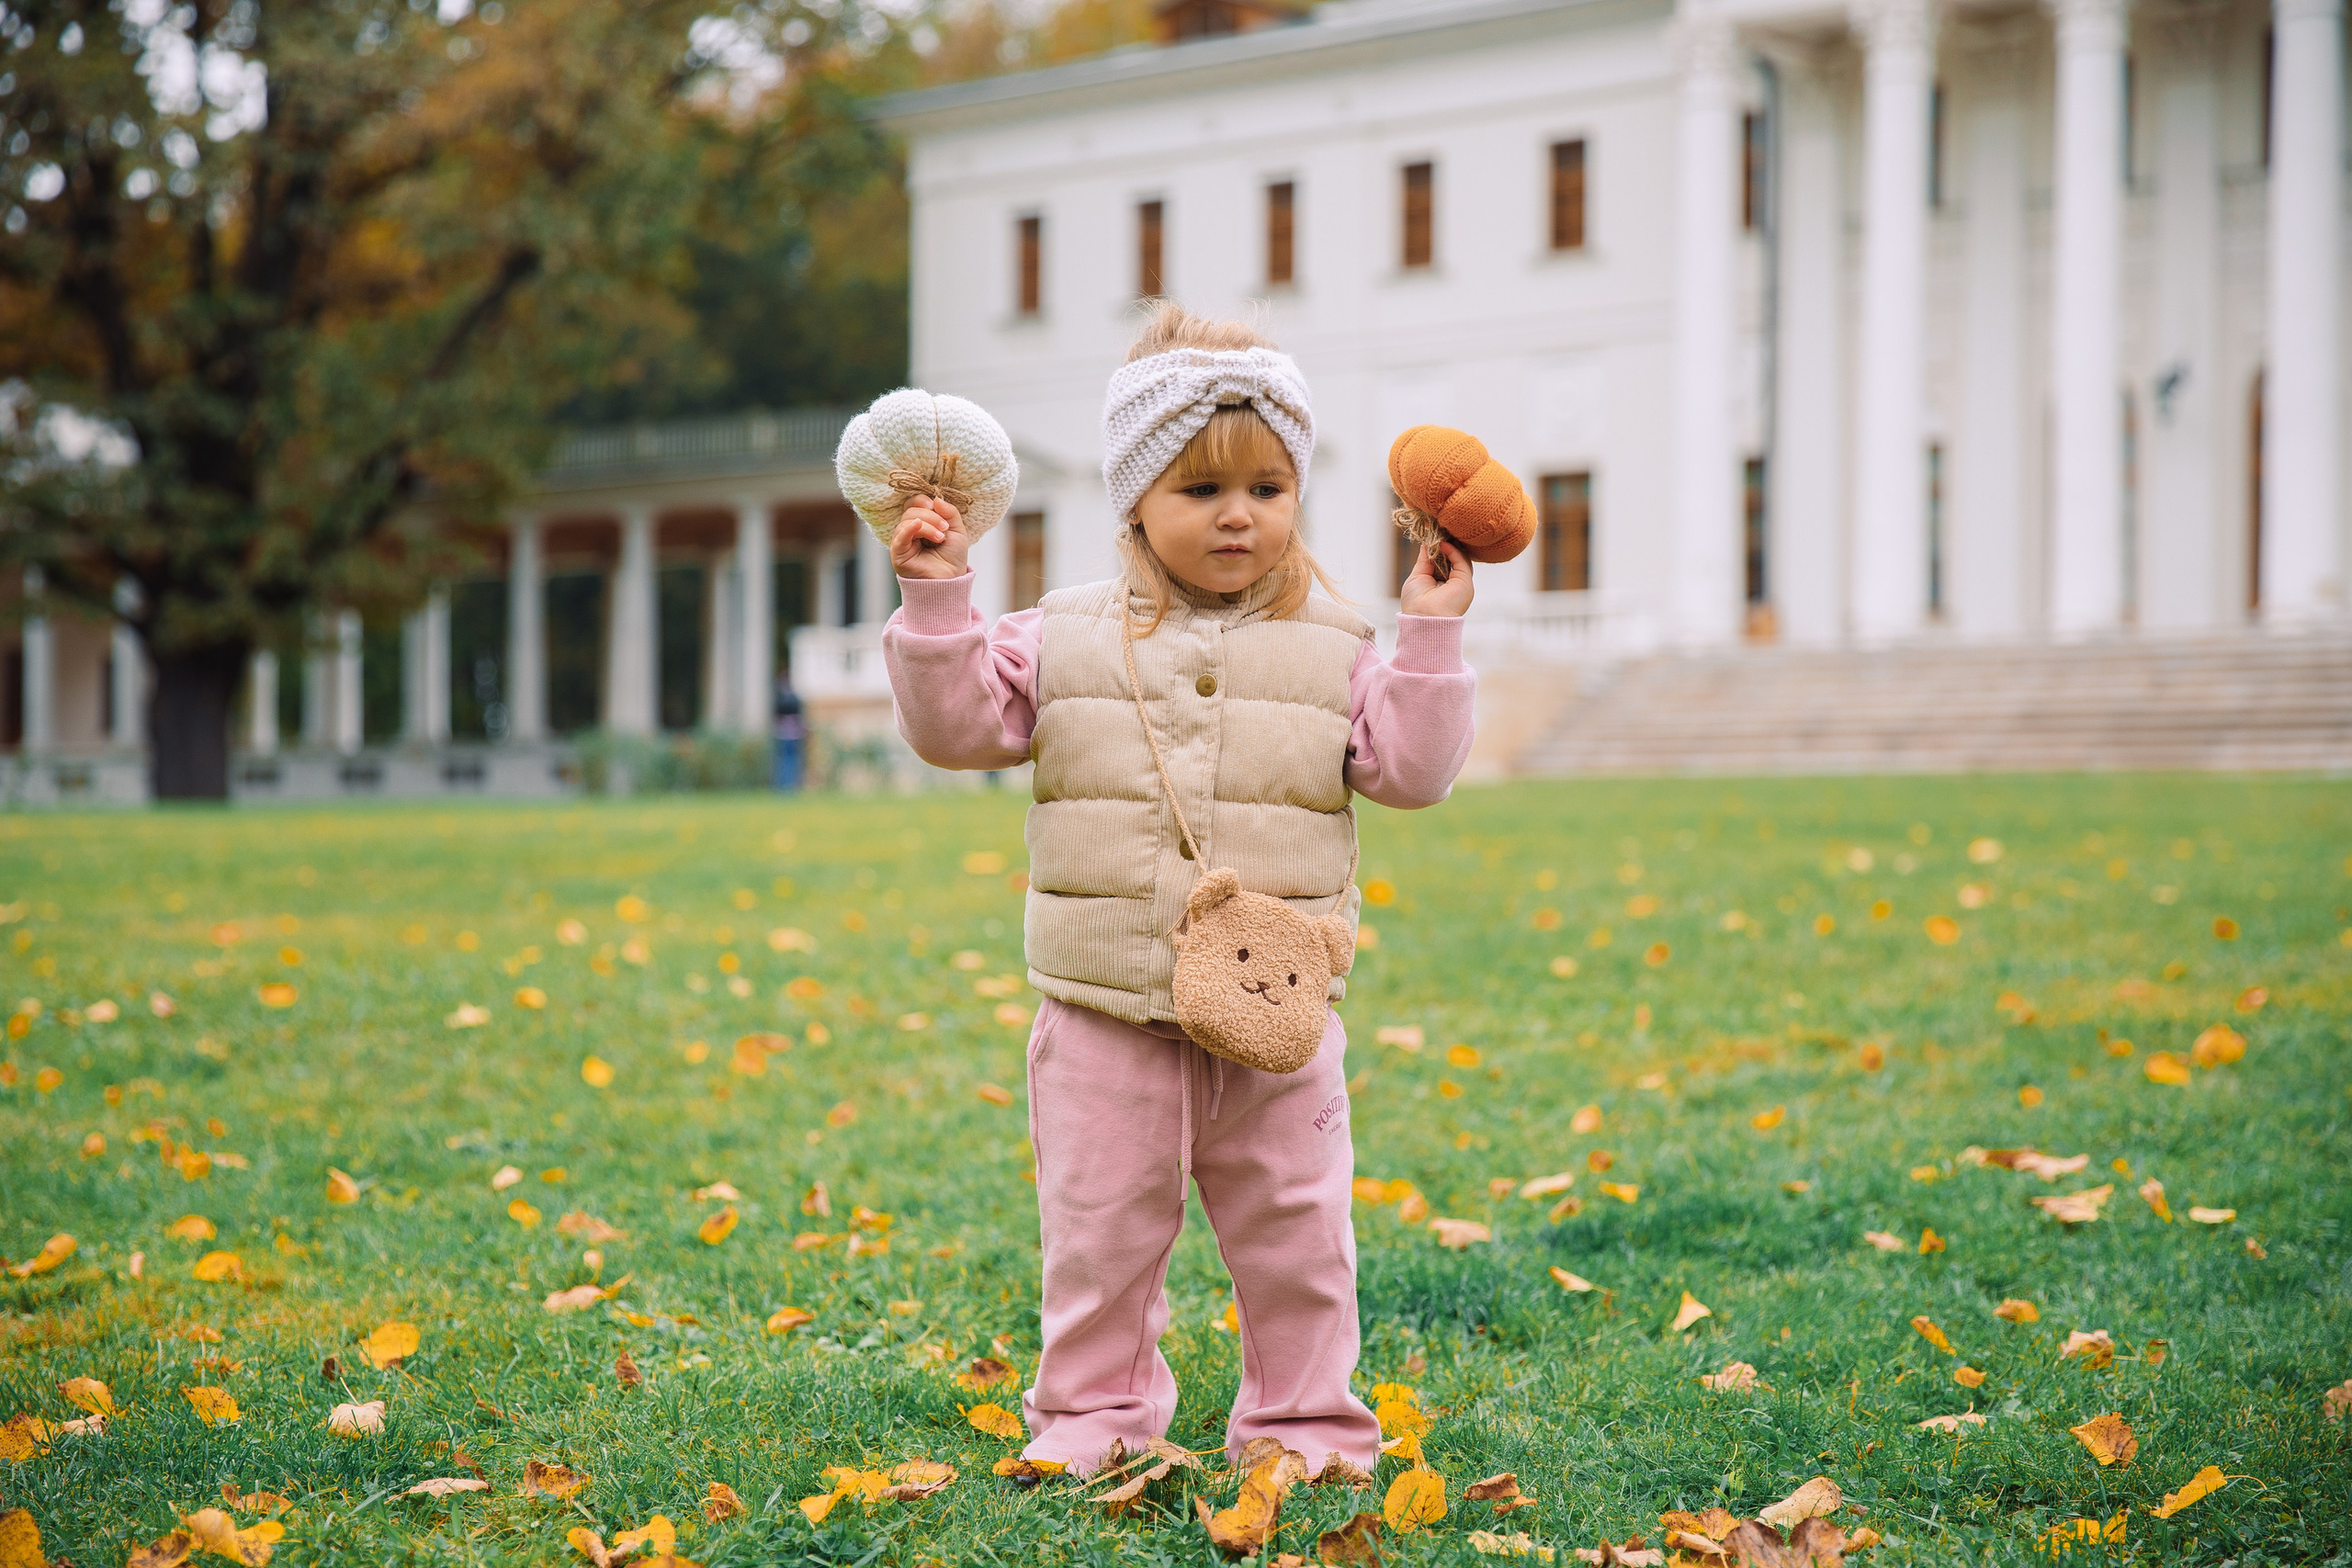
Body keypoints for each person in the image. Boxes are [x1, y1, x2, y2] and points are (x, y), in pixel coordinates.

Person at [881, 303, 1476, 1480]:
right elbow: (958, 732)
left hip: (1279, 1012)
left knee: (1297, 1237)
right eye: (1201, 491)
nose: (1239, 513)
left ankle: (1305, 1428)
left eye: (1267, 486)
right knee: (1099, 1237)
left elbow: (1409, 772)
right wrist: (939, 601)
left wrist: (1429, 636)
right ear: (1135, 499)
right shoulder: (1060, 635)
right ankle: (1093, 1419)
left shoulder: (1339, 641)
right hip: (1104, 1010)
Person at [771, 670, 805, 792]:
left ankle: (785, 786)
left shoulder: (780, 698)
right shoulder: (795, 698)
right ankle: (789, 785)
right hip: (792, 734)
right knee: (790, 760)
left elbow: (776, 717)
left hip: (784, 734)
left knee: (785, 760)